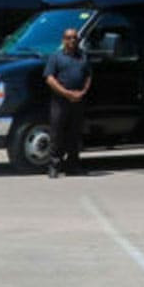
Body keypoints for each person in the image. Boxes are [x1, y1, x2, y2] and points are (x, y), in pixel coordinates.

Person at [43, 27, 92, 178]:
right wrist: (66, 93)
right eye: (69, 38)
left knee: (74, 134)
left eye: (75, 38)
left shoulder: (83, 56)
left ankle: (73, 166)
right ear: (63, 40)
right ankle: (54, 166)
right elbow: (49, 78)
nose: (72, 40)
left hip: (78, 100)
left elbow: (88, 75)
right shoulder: (55, 57)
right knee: (57, 133)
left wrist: (83, 92)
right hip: (60, 101)